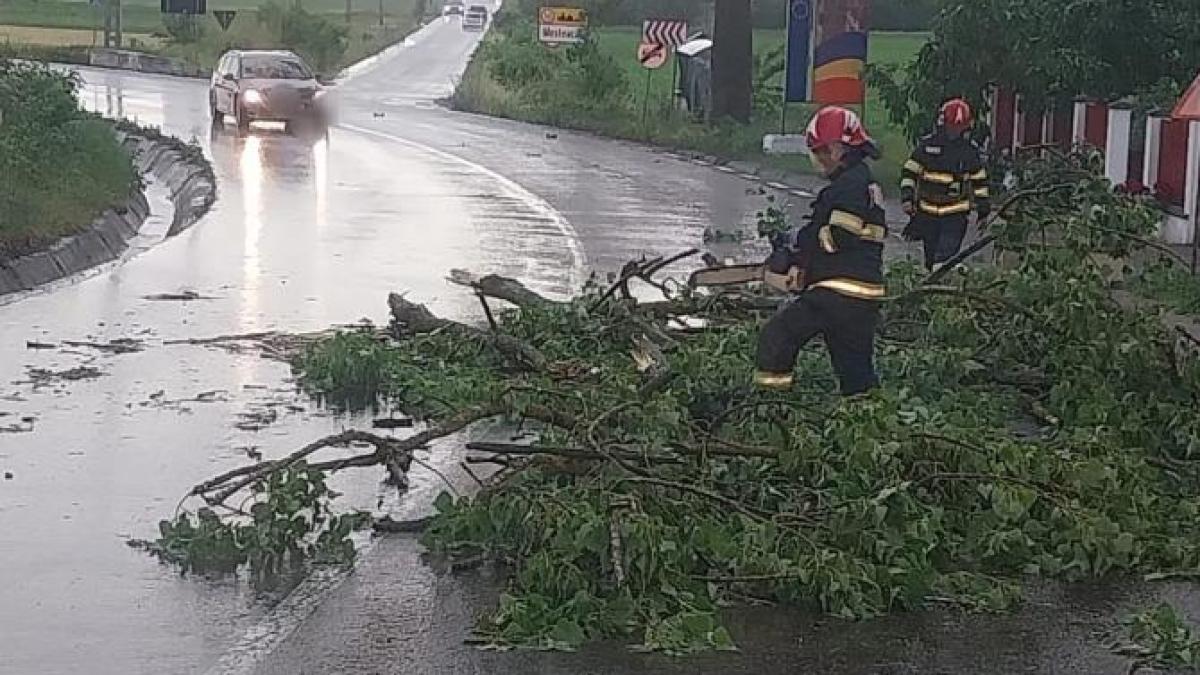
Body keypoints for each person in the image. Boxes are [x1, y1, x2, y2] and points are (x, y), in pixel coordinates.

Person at [754, 106, 886, 396]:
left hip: (839, 292)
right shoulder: (860, 181)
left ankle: (770, 407)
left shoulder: (850, 185)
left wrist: (796, 241)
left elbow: (838, 237)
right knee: (855, 374)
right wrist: (798, 258)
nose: (819, 158)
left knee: (777, 337)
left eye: (821, 151)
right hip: (861, 294)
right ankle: (867, 414)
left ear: (840, 148)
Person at [900, 98, 991, 271]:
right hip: (927, 213)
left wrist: (983, 210)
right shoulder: (927, 146)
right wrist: (907, 198)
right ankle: (933, 284)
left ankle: (942, 278)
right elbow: (909, 172)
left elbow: (979, 181)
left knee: (944, 258)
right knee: (930, 261)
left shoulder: (969, 151)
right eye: (952, 127)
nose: (954, 132)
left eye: (959, 128)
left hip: (955, 214)